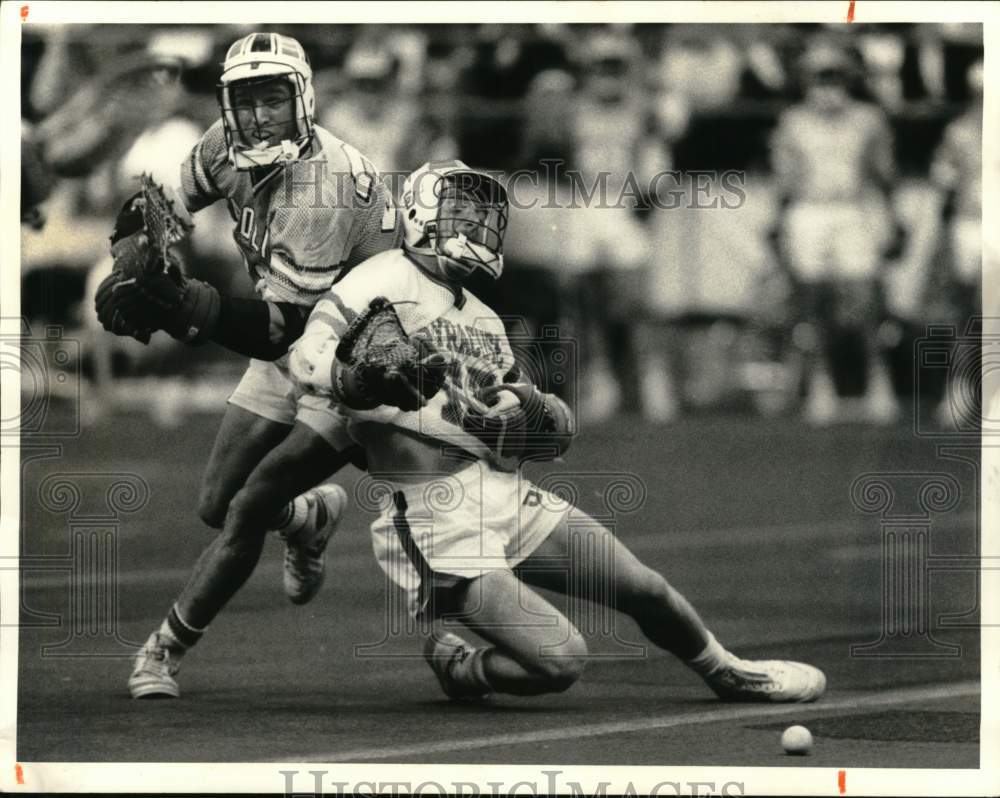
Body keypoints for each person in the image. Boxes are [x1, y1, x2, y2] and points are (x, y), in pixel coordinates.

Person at [288, 160, 827, 702]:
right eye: (460, 211)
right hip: (432, 514)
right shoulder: (383, 276)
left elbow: (530, 428)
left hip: (499, 489)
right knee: (561, 660)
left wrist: (536, 416)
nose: (474, 225)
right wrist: (355, 376)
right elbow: (307, 355)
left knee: (646, 588)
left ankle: (726, 670)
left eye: (481, 216)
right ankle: (466, 669)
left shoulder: (483, 317)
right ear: (418, 212)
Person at [95, 32, 402, 698]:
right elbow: (153, 202)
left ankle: (164, 651)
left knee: (254, 509)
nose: (259, 115)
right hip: (295, 330)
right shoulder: (223, 143)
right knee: (214, 504)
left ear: (304, 100)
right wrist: (131, 259)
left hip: (357, 355)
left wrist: (182, 306)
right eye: (246, 100)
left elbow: (280, 332)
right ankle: (309, 518)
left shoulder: (325, 185)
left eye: (273, 99)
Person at [770, 43, 904, 425]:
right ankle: (821, 385)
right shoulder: (792, 122)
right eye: (819, 77)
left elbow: (884, 172)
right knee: (812, 302)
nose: (827, 86)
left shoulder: (868, 120)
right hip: (809, 212)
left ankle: (878, 384)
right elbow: (784, 180)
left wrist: (890, 218)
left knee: (863, 300)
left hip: (852, 211)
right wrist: (779, 225)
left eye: (834, 77)